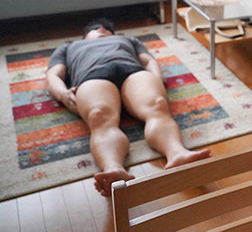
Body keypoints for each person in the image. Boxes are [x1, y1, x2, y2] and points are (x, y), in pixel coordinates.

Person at [46, 18, 211, 196]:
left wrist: (156, 79)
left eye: (107, 29)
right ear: (85, 36)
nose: (102, 29)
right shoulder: (68, 47)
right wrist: (63, 94)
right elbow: (53, 74)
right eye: (95, 28)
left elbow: (149, 62)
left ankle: (178, 154)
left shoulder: (129, 40)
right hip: (91, 76)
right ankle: (113, 169)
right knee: (98, 115)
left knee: (157, 105)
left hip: (133, 72)